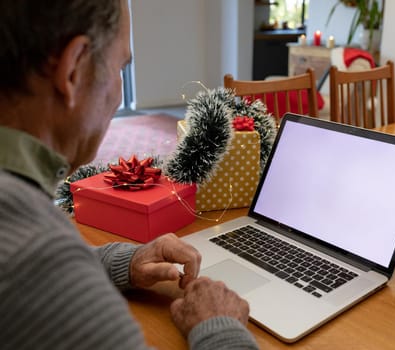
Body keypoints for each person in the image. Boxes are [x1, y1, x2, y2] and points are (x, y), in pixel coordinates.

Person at [0, 1, 258, 349]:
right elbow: (34, 269)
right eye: (121, 66)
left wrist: (125, 261)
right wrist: (220, 326)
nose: (119, 91)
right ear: (73, 69)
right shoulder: (35, 254)